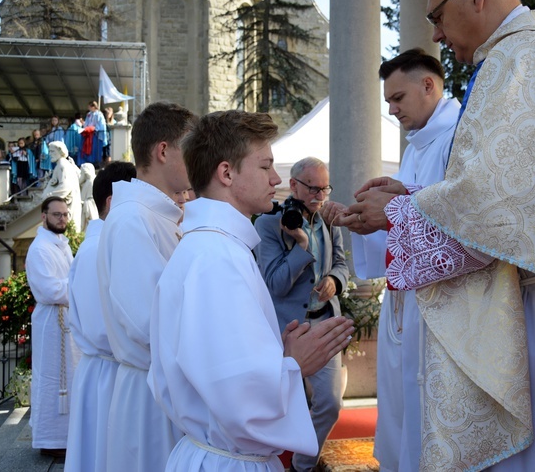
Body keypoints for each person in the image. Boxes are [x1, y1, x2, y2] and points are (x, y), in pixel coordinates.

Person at [341, 0, 535, 469]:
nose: (436, 35)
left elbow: (497, 212)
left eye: (437, 17)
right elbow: (516, 198)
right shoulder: (531, 55)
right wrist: (415, 197)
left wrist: (398, 212)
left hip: (534, 309)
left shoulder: (522, 58)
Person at [148, 110, 354, 471]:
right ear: (226, 173)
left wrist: (281, 356)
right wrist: (293, 365)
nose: (277, 178)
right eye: (265, 166)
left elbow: (224, 367)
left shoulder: (217, 247)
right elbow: (236, 397)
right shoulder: (216, 258)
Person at [323, 48, 460, 472]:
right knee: (403, 411)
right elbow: (412, 220)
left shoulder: (460, 136)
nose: (392, 109)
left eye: (397, 98)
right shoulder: (417, 145)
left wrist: (393, 214)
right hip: (408, 302)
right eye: (387, 101)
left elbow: (463, 222)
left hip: (447, 304)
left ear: (428, 85)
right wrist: (367, 221)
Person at [97, 102, 197, 472]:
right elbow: (146, 323)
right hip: (150, 394)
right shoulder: (132, 220)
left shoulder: (157, 214)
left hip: (167, 384)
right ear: (163, 150)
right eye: (191, 149)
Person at [254, 156, 349, 472]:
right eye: (313, 188)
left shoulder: (329, 220)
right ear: (293, 185)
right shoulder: (268, 224)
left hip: (324, 322)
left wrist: (335, 281)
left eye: (325, 189)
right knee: (280, 406)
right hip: (288, 330)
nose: (321, 196)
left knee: (331, 403)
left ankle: (303, 465)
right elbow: (276, 284)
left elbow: (340, 264)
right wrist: (302, 246)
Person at [66, 161, 137, 472]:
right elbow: (99, 329)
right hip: (108, 374)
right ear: (113, 201)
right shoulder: (97, 250)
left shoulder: (104, 244)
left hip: (107, 371)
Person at [25, 196, 76, 458]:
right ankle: (50, 439)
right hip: (51, 322)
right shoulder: (39, 249)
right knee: (51, 380)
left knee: (68, 377)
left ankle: (66, 437)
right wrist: (80, 287)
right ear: (43, 216)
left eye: (65, 214)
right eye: (56, 215)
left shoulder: (62, 245)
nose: (62, 219)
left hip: (67, 320)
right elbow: (48, 289)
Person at [42, 142, 82, 230]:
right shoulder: (60, 165)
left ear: (60, 152)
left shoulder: (63, 165)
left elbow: (66, 187)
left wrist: (49, 195)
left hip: (67, 207)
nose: (50, 154)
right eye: (50, 152)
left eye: (52, 151)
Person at [84, 101, 108, 167]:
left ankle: (97, 162)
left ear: (93, 106)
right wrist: (86, 128)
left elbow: (101, 124)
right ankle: (90, 161)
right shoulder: (89, 114)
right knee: (90, 148)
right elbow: (86, 122)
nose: (88, 107)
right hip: (89, 133)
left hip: (96, 134)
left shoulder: (99, 114)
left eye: (89, 106)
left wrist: (95, 129)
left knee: (96, 148)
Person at [79, 163, 98, 232]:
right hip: (85, 207)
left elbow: (91, 199)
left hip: (89, 208)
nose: (81, 175)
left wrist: (83, 202)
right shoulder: (87, 182)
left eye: (82, 172)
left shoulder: (91, 181)